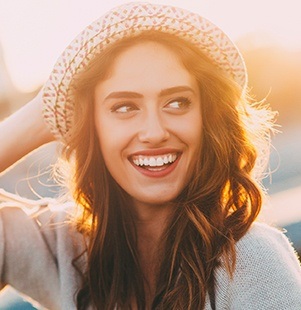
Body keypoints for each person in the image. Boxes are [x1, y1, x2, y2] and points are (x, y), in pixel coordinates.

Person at [0, 2, 301, 309]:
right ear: (93, 127)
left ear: (206, 117)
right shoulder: (65, 249)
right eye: (125, 107)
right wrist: (44, 113)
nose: (154, 132)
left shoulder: (253, 262)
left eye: (177, 103)